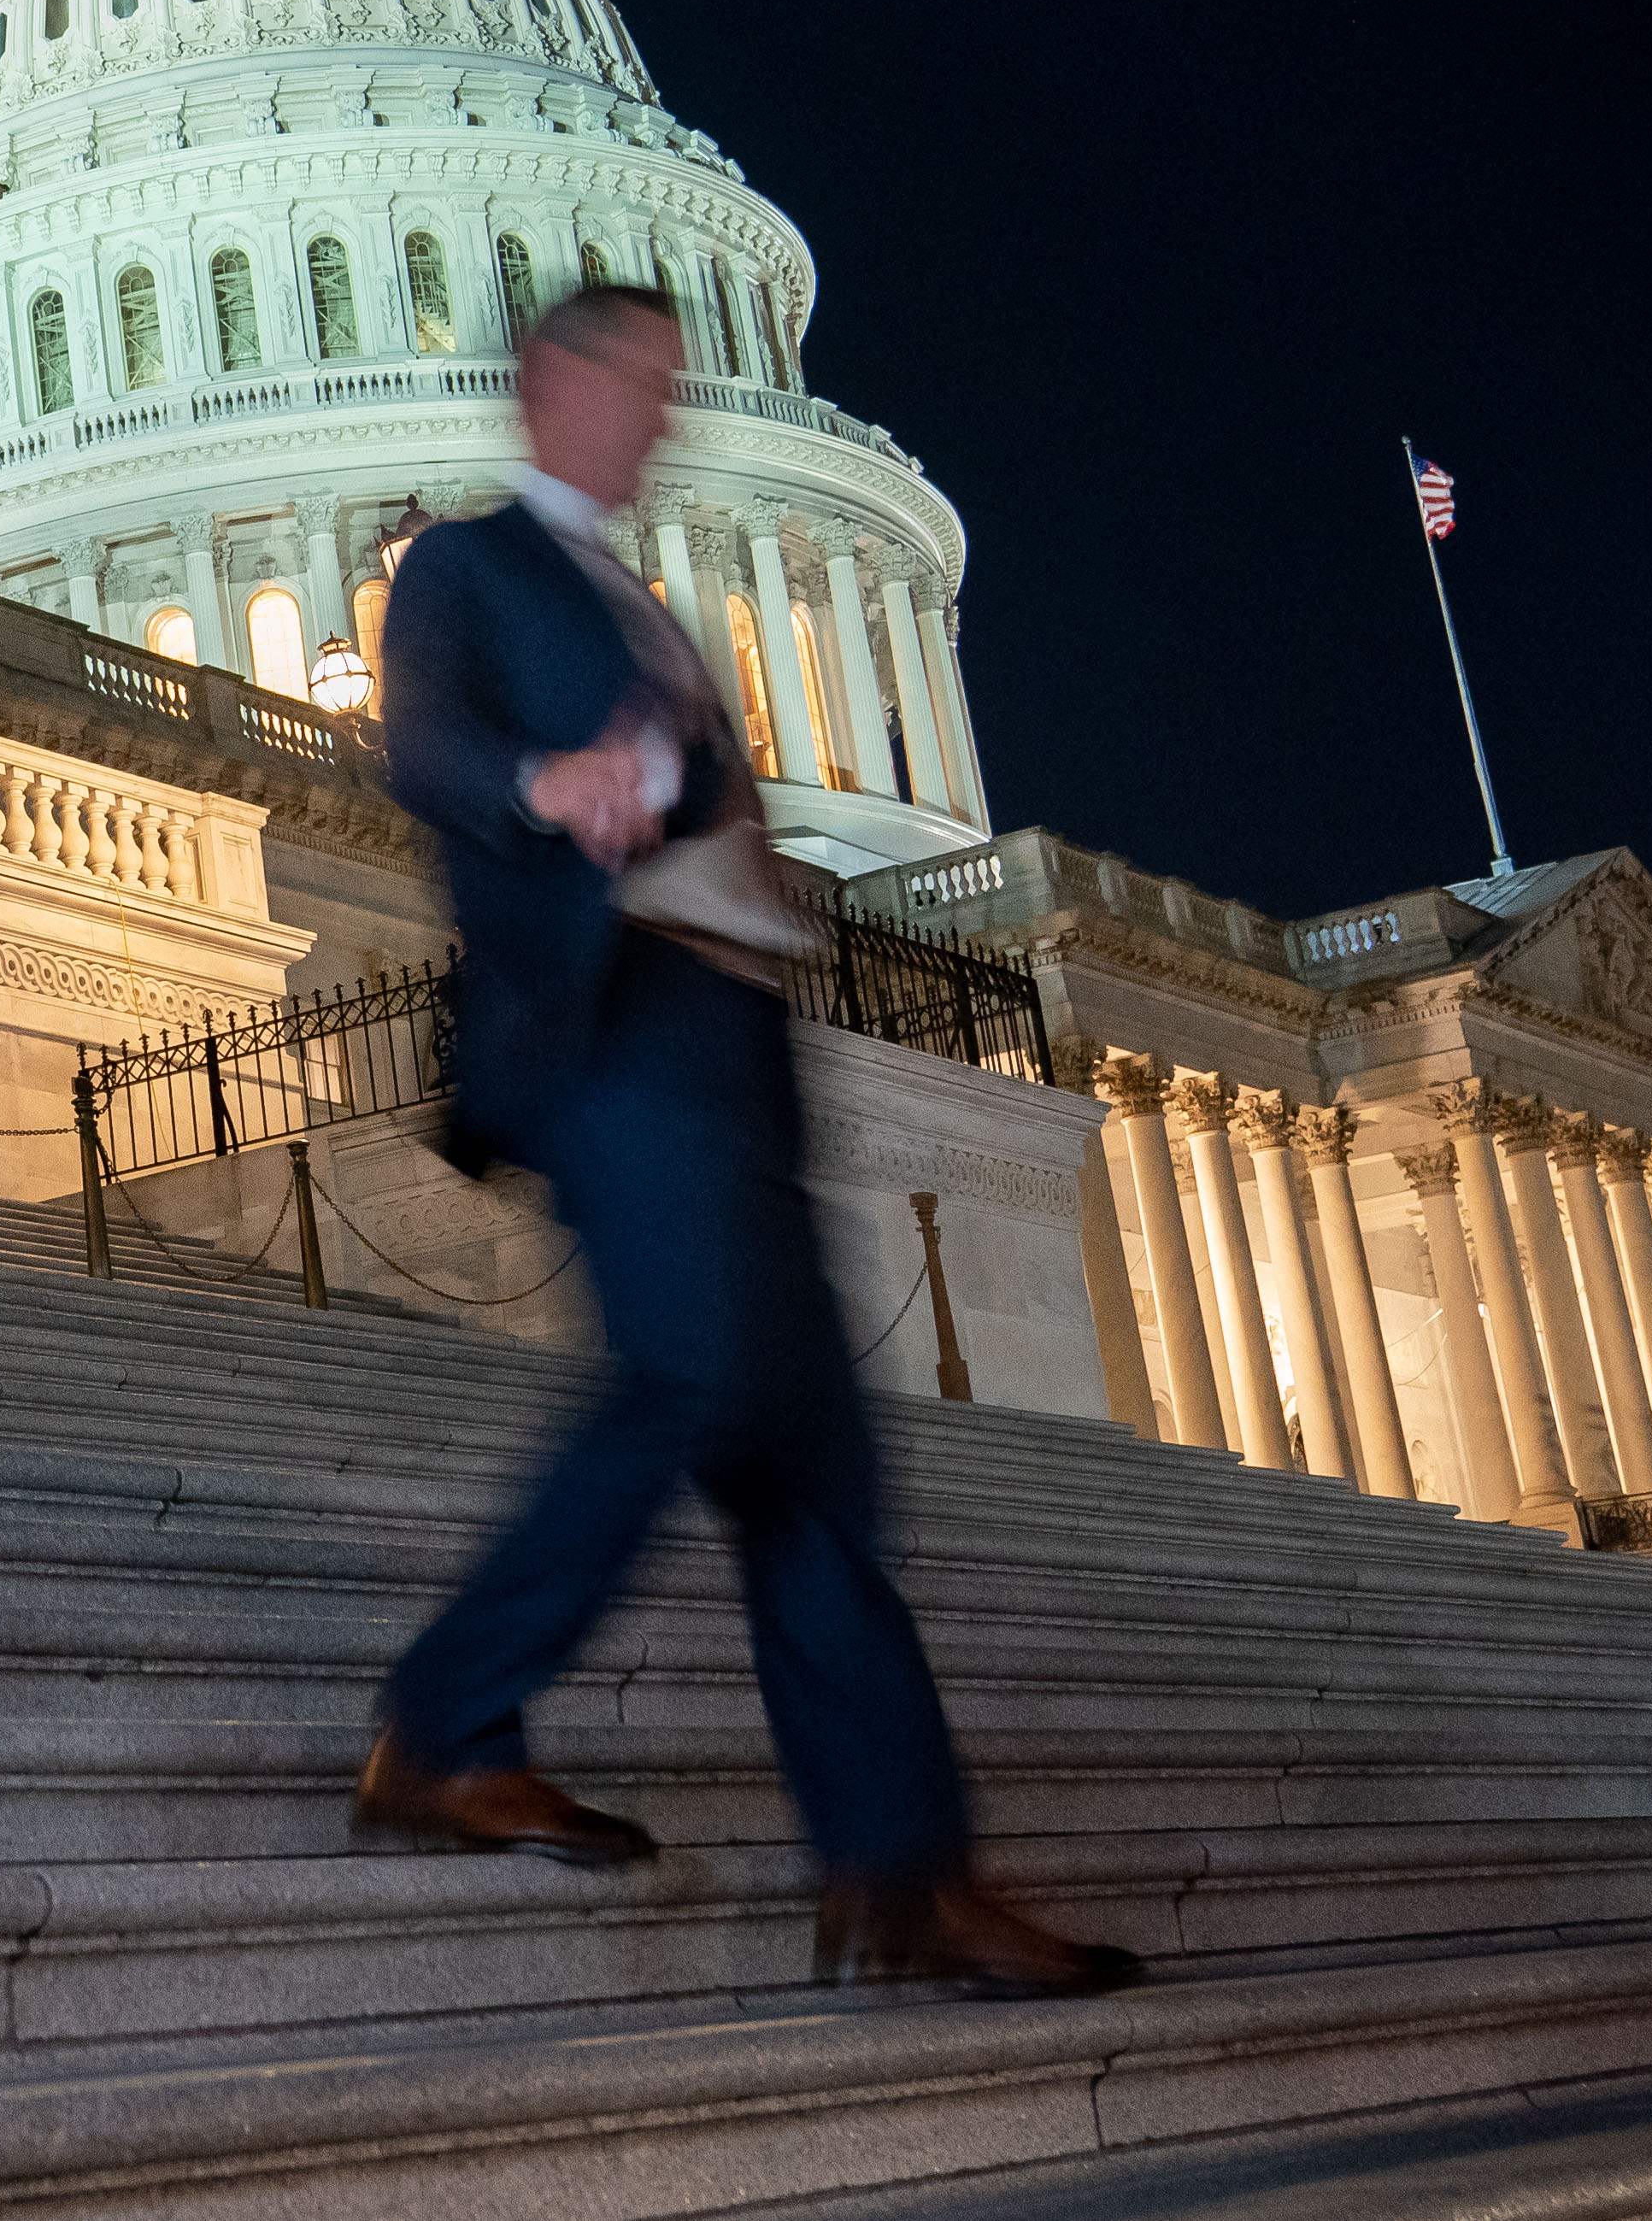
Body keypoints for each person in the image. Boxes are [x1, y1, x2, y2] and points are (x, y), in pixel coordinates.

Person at [354, 285, 1135, 2001]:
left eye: (668, 384)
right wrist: (547, 786)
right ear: (551, 384)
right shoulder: (470, 567)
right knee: (685, 1384)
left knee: (816, 1474)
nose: (662, 414)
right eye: (633, 380)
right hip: (611, 1023)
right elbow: (428, 740)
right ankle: (445, 1721)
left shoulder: (647, 606)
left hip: (725, 1044)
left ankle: (903, 1866)